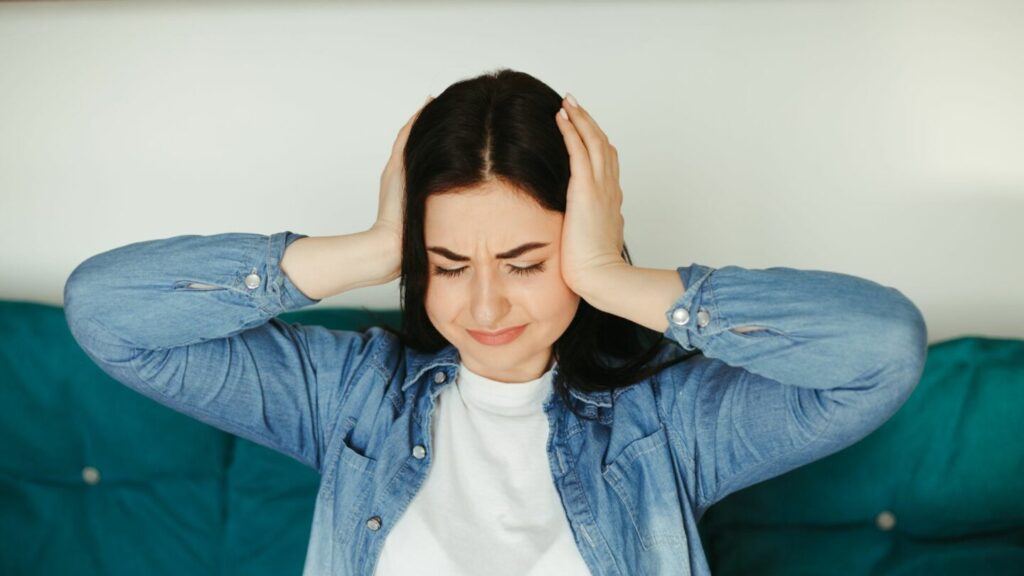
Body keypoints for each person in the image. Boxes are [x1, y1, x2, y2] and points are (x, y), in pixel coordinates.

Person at [63, 68, 928, 576]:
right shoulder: (348, 398)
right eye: (445, 265)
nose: (482, 308)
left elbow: (880, 350)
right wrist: (372, 248)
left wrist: (607, 274)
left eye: (526, 264)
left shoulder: (669, 426)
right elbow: (107, 311)